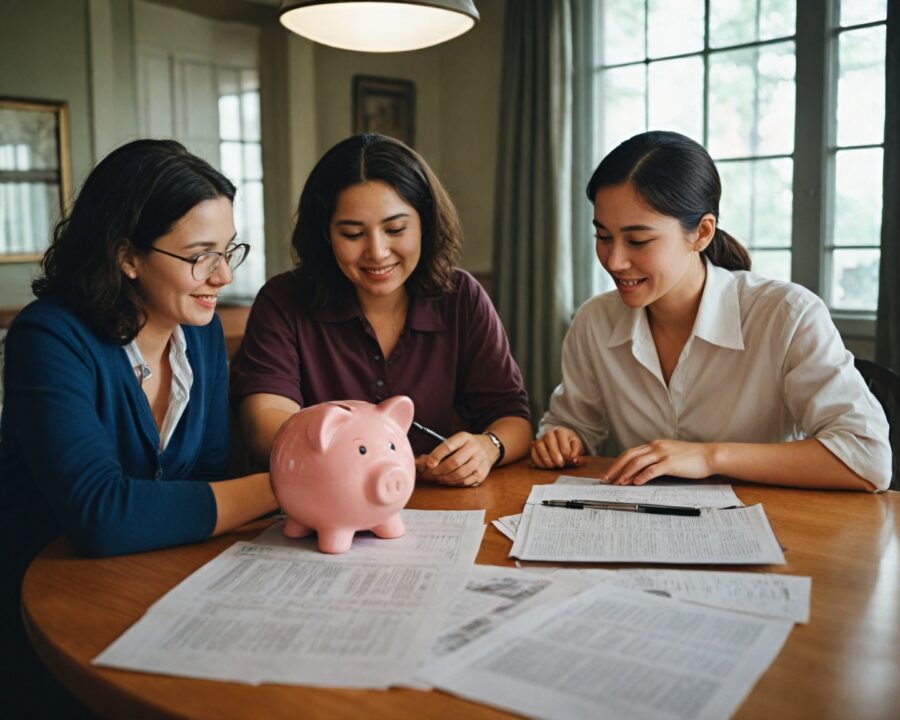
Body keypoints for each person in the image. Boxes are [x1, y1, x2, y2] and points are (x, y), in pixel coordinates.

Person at [0, 139, 279, 716]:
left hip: (149, 596)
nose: (222, 275)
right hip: (45, 624)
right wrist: (288, 487)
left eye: (228, 250)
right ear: (128, 256)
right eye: (200, 254)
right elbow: (100, 513)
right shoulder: (48, 339)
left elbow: (205, 473)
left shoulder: (198, 330)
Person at [531, 130, 891, 491]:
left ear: (702, 233)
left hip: (772, 527)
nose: (614, 260)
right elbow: (572, 423)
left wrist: (708, 456)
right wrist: (562, 439)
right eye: (603, 237)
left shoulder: (786, 315)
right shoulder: (594, 321)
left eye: (638, 240)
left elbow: (867, 457)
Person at [230, 133, 531, 486]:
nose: (377, 252)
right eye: (353, 234)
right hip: (323, 502)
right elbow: (263, 423)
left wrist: (488, 446)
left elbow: (513, 418)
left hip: (433, 503)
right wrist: (362, 459)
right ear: (325, 234)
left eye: (395, 229)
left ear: (425, 224)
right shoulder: (284, 300)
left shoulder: (460, 296)